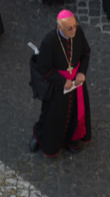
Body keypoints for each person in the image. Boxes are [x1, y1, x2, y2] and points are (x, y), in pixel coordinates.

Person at [30, 10, 91, 157]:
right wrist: (62, 81)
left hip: (76, 84)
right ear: (60, 28)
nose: (73, 30)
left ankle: (72, 142)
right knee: (52, 117)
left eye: (75, 26)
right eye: (69, 28)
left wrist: (82, 72)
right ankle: (40, 137)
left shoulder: (78, 33)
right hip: (57, 88)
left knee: (76, 114)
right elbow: (43, 68)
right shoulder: (49, 41)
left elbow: (85, 53)